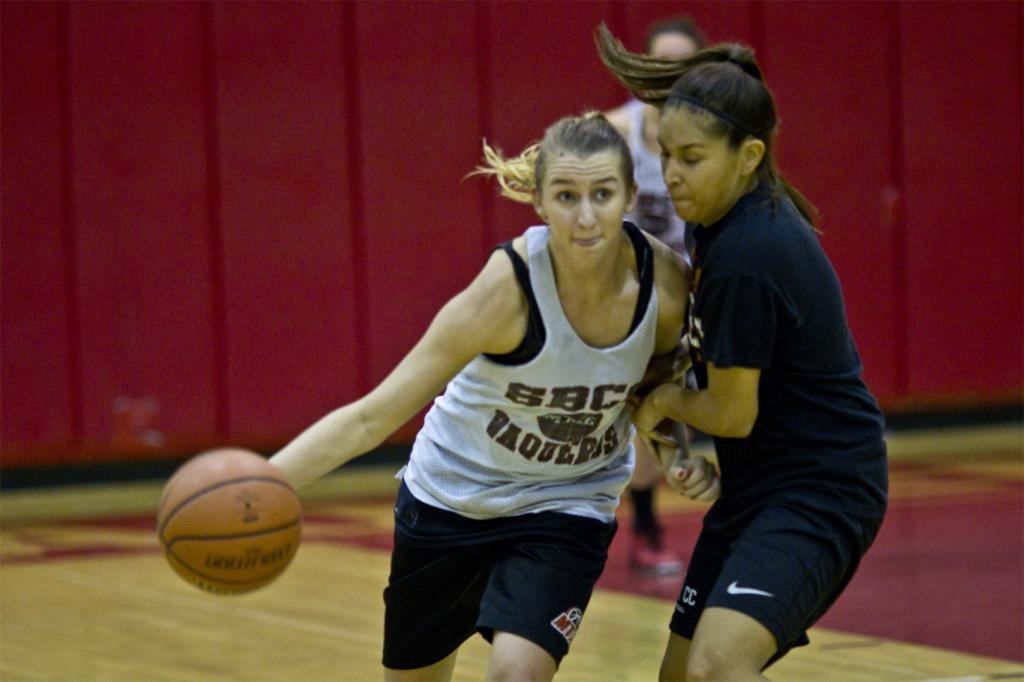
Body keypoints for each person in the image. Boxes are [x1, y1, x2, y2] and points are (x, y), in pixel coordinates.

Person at [269, 112, 714, 681]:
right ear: (539, 202)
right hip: (452, 497)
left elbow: (654, 386)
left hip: (566, 503)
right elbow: (370, 418)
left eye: (603, 194)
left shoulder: (667, 287)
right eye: (566, 195)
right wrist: (260, 486)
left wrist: (675, 454)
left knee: (516, 674)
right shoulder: (504, 292)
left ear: (631, 194)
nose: (585, 217)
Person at [596, 26, 889, 681]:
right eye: (666, 154)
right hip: (759, 491)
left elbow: (732, 413)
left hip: (821, 493)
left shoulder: (749, 254)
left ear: (749, 154)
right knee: (680, 677)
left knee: (719, 669)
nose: (672, 174)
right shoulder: (719, 220)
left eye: (691, 157)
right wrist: (680, 448)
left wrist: (664, 401)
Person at [605, 14, 708, 576]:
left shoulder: (710, 136)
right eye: (658, 61)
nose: (668, 73)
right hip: (633, 292)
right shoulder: (613, 132)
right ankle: (642, 525)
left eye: (681, 63)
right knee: (650, 410)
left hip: (697, 289)